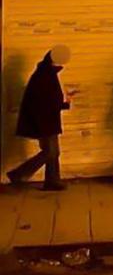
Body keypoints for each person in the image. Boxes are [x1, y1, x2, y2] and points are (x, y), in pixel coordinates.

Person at [6, 45, 73, 191]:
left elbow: (48, 99)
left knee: (54, 152)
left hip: (47, 120)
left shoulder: (46, 73)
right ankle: (19, 174)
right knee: (50, 152)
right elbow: (45, 101)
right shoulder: (45, 75)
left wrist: (63, 103)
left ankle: (52, 181)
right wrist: (64, 103)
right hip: (44, 121)